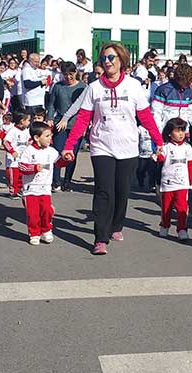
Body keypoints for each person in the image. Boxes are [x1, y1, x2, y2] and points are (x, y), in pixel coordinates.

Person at [63, 42, 164, 255]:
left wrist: (159, 142)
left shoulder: (134, 86)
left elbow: (145, 117)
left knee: (121, 191)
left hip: (128, 147)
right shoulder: (94, 88)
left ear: (121, 61)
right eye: (104, 58)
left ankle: (117, 224)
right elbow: (83, 119)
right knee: (103, 191)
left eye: (112, 58)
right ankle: (100, 238)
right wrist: (69, 145)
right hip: (101, 146)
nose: (107, 62)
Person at [17, 121, 72, 244]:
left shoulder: (51, 151)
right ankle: (34, 233)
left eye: (51, 135)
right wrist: (34, 168)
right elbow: (22, 167)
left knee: (46, 211)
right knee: (33, 214)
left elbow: (58, 163)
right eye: (47, 136)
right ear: (37, 138)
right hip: (30, 190)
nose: (50, 138)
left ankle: (46, 230)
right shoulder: (28, 151)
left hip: (45, 189)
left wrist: (66, 159)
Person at [46, 62, 86, 191]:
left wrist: (85, 126)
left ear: (76, 73)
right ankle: (56, 181)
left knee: (71, 155)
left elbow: (85, 109)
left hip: (76, 125)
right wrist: (50, 118)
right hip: (60, 124)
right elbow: (51, 104)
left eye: (71, 74)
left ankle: (67, 181)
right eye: (65, 74)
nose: (68, 77)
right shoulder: (58, 87)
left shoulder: (83, 87)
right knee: (57, 152)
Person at [156, 117, 192, 241]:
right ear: (169, 133)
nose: (181, 134)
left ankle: (182, 229)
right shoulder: (166, 147)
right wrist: (158, 154)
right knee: (166, 208)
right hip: (168, 184)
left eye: (182, 131)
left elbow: (191, 164)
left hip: (182, 184)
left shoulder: (187, 148)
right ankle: (165, 225)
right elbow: (160, 159)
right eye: (177, 131)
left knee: (182, 208)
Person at [150, 63, 192, 137]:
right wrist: (159, 132)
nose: (189, 83)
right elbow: (155, 113)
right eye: (187, 80)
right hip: (167, 133)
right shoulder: (163, 90)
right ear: (180, 78)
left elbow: (191, 114)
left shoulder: (188, 91)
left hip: (183, 133)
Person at [3, 111, 31, 199]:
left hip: (22, 159)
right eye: (28, 120)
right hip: (13, 160)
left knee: (21, 176)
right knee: (13, 177)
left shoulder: (27, 131)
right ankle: (13, 191)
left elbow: (29, 140)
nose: (29, 122)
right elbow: (6, 142)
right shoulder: (13, 131)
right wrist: (12, 151)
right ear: (22, 121)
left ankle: (19, 189)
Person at [136, 123, 158, 192]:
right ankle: (141, 182)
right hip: (142, 154)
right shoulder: (140, 128)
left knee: (152, 171)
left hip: (152, 154)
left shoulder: (154, 127)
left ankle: (152, 185)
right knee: (140, 170)